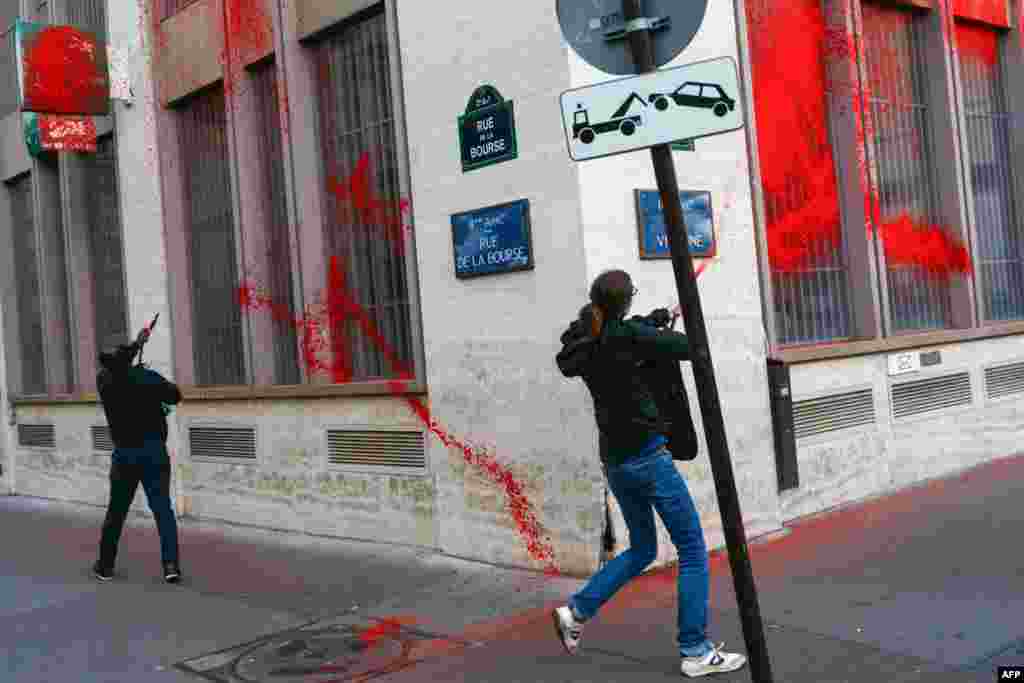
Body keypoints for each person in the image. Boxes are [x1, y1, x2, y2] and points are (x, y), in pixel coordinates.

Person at [552, 270, 746, 678]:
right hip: (649, 459)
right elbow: (689, 348)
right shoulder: (626, 337)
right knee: (692, 549)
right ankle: (695, 649)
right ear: (623, 303)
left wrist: (654, 319)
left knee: (642, 549)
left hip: (617, 462)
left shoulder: (586, 341)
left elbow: (622, 332)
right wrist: (671, 326)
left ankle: (577, 611)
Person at [93, 325, 183, 584]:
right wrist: (154, 389)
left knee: (116, 511)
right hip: (154, 452)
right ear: (129, 359)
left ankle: (105, 566)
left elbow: (121, 362)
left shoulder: (104, 381)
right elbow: (175, 395)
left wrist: (137, 343)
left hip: (124, 455)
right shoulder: (149, 378)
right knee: (162, 510)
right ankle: (170, 565)